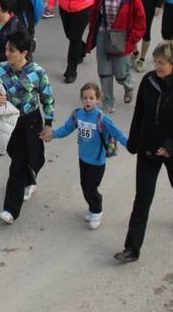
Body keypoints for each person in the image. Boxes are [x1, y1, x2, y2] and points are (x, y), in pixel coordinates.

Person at [116, 40, 173, 263]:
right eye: (155, 62)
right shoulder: (149, 81)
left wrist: (170, 147)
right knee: (142, 198)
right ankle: (132, 249)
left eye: (162, 63)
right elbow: (140, 114)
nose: (157, 67)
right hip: (148, 149)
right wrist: (134, 142)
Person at [0, 32, 55, 225]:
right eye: (6, 49)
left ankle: (20, 194)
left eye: (11, 50)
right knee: (17, 162)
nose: (7, 53)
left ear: (24, 53)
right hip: (8, 123)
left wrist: (49, 124)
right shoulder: (0, 69)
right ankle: (18, 197)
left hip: (31, 122)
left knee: (34, 160)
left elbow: (48, 99)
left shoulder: (38, 73)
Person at [52, 83, 129, 230]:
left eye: (91, 98)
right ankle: (93, 207)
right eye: (85, 98)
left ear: (98, 100)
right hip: (83, 158)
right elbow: (67, 128)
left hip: (97, 161)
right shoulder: (78, 114)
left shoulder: (102, 118)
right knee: (84, 186)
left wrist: (130, 145)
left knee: (91, 187)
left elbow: (117, 133)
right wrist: (53, 134)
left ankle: (97, 210)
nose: (88, 101)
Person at [84, 0, 148, 112]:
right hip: (103, 35)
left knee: (120, 73)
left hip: (122, 38)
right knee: (104, 72)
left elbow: (141, 20)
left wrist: (131, 40)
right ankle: (108, 102)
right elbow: (94, 15)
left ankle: (128, 86)